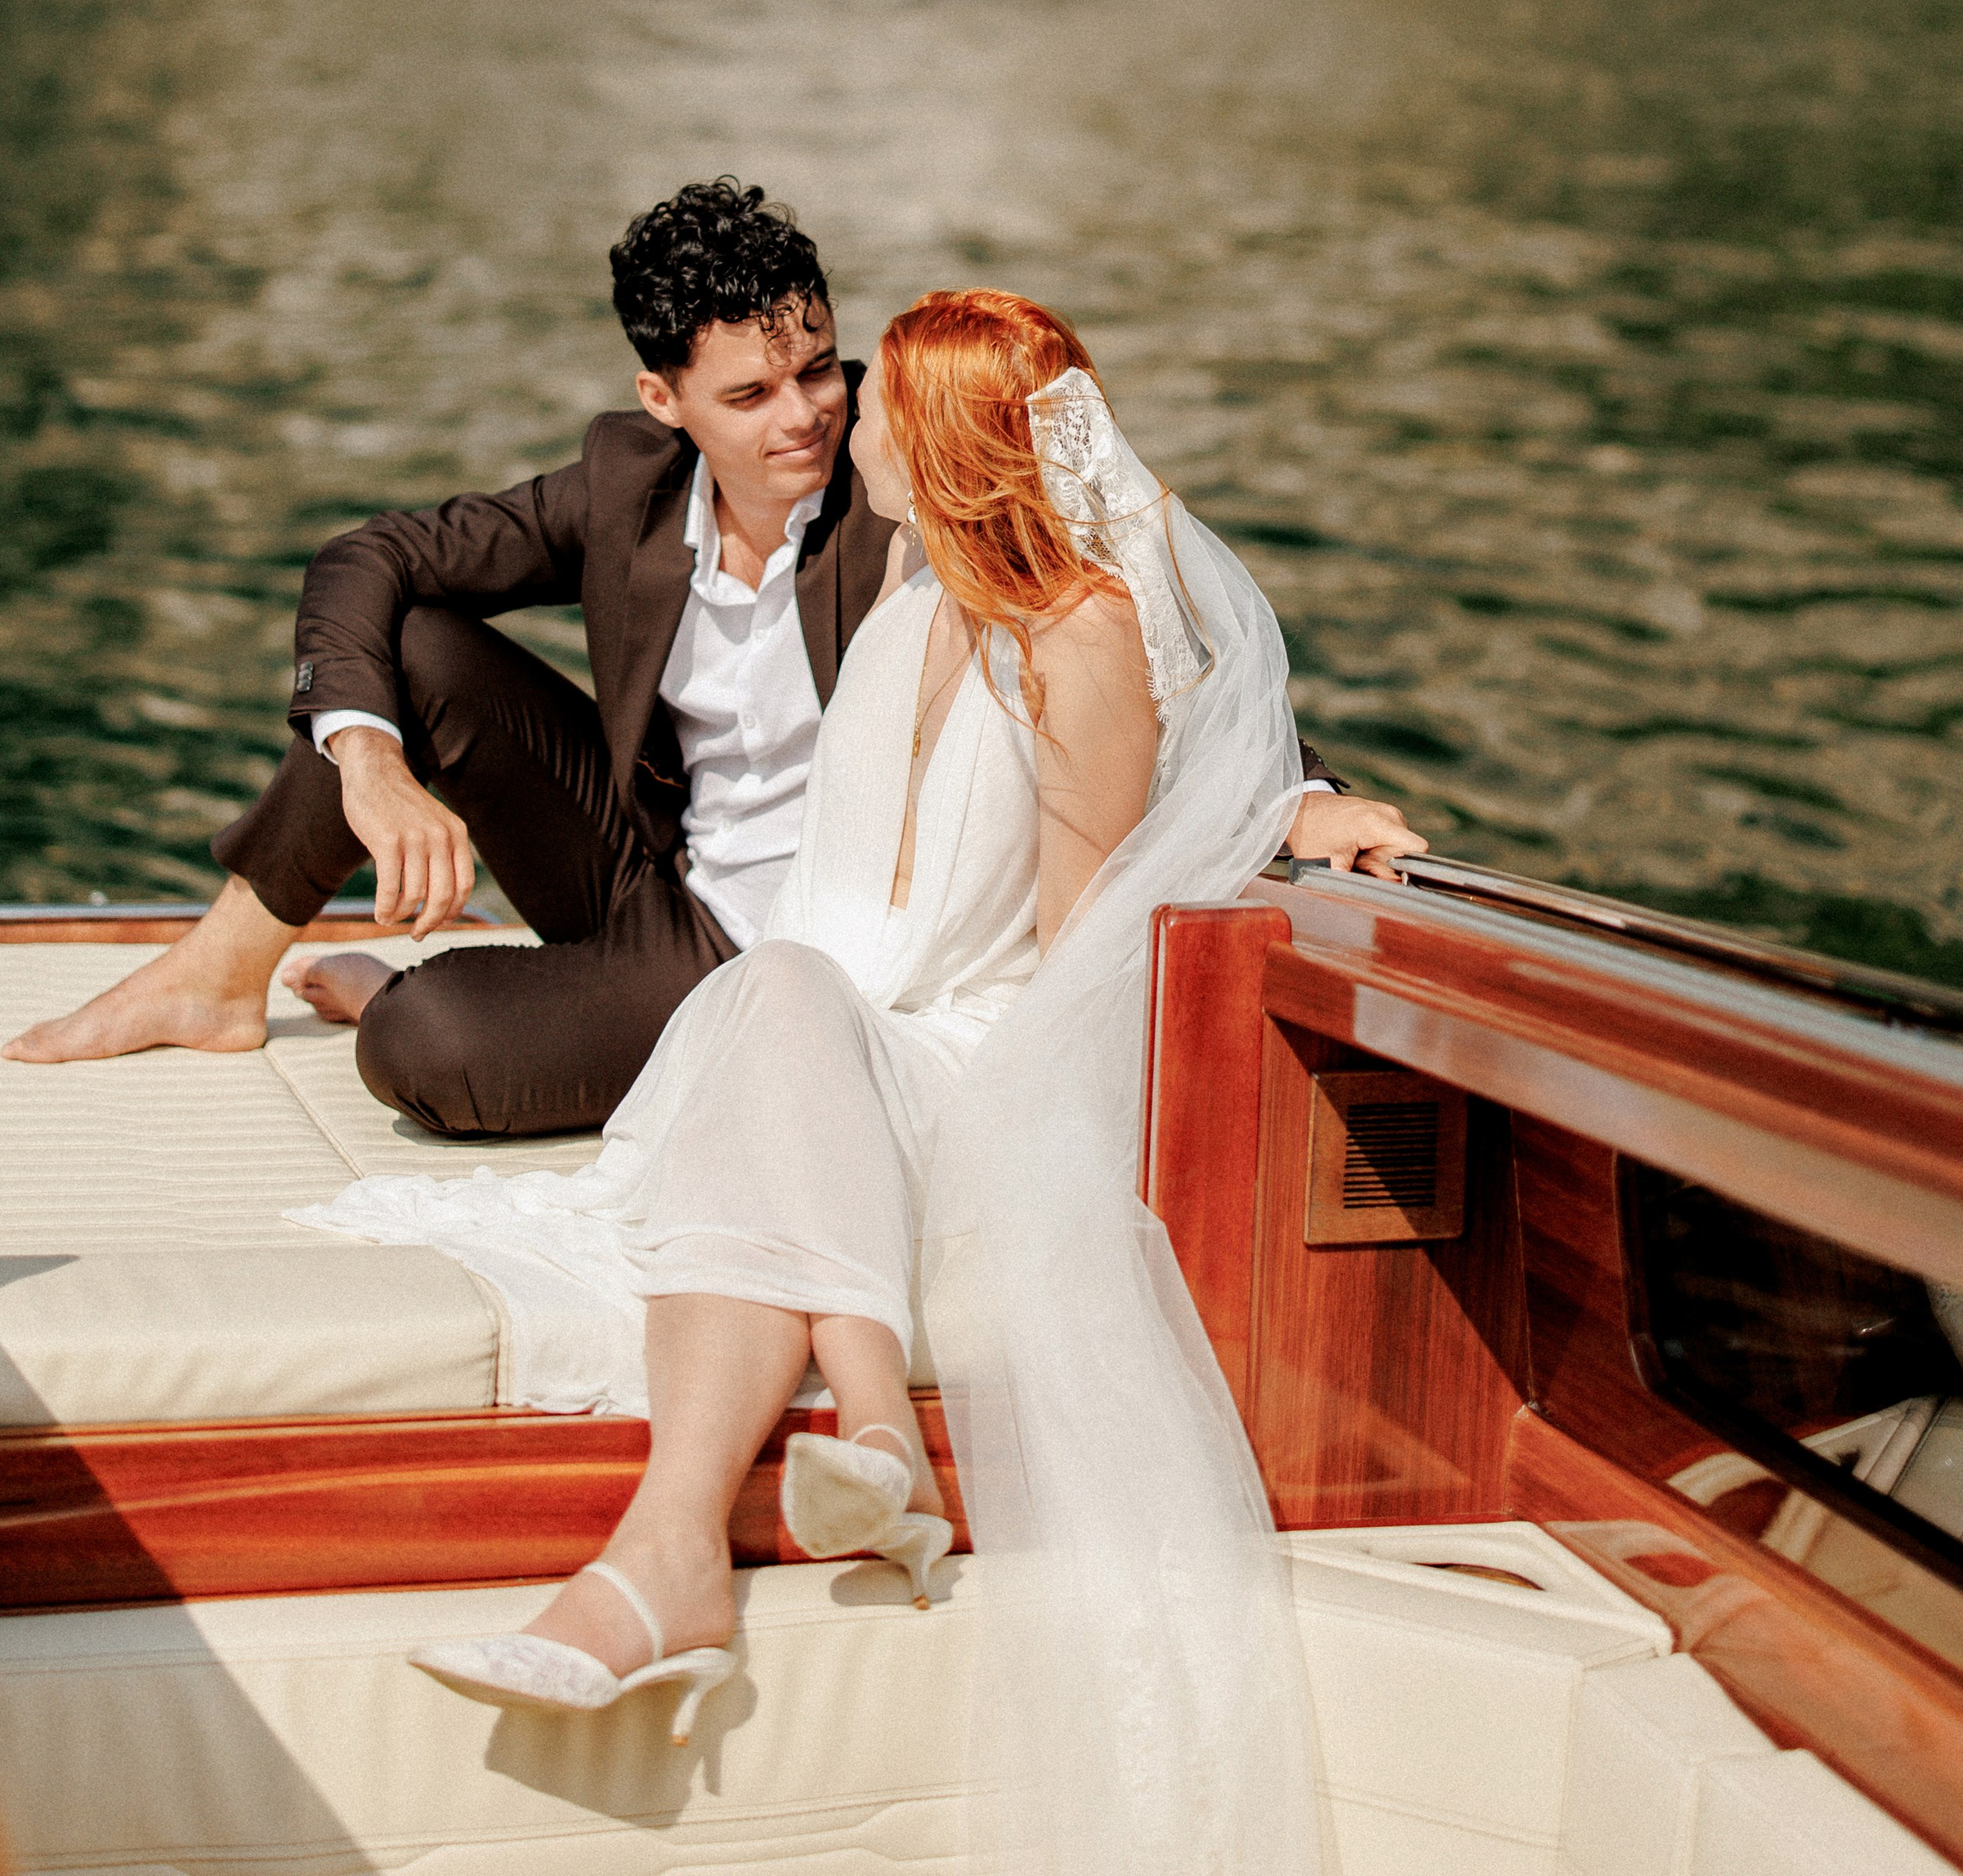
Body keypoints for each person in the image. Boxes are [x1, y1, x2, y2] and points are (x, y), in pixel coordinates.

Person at [298, 293, 1331, 1875]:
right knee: (775, 1000)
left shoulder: (1085, 638)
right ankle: (835, 1449)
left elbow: (1090, 933)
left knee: (776, 1009)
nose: (846, 427)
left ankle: (669, 1553)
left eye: (878, 403)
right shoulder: (914, 594)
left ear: (958, 442)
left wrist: (1289, 812)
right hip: (811, 1009)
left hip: (970, 1050)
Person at [6, 186, 1416, 1133]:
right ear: (662, 400)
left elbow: (1118, 607)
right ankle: (217, 970)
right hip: (636, 867)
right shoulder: (621, 488)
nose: (804, 415)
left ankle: (416, 990)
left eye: (818, 369)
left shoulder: (907, 478)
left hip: (776, 948)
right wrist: (370, 765)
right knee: (413, 650)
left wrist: (1296, 792)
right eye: (749, 394)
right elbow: (364, 559)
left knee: (425, 1049)